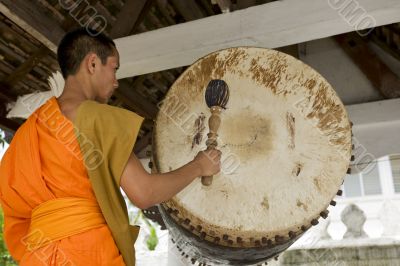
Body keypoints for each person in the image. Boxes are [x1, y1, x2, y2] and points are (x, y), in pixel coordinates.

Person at [0, 28, 221, 266]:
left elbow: (16, 214)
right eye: (114, 68)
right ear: (92, 63)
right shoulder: (97, 118)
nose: (116, 82)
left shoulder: (24, 136)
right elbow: (144, 193)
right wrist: (200, 166)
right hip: (88, 252)